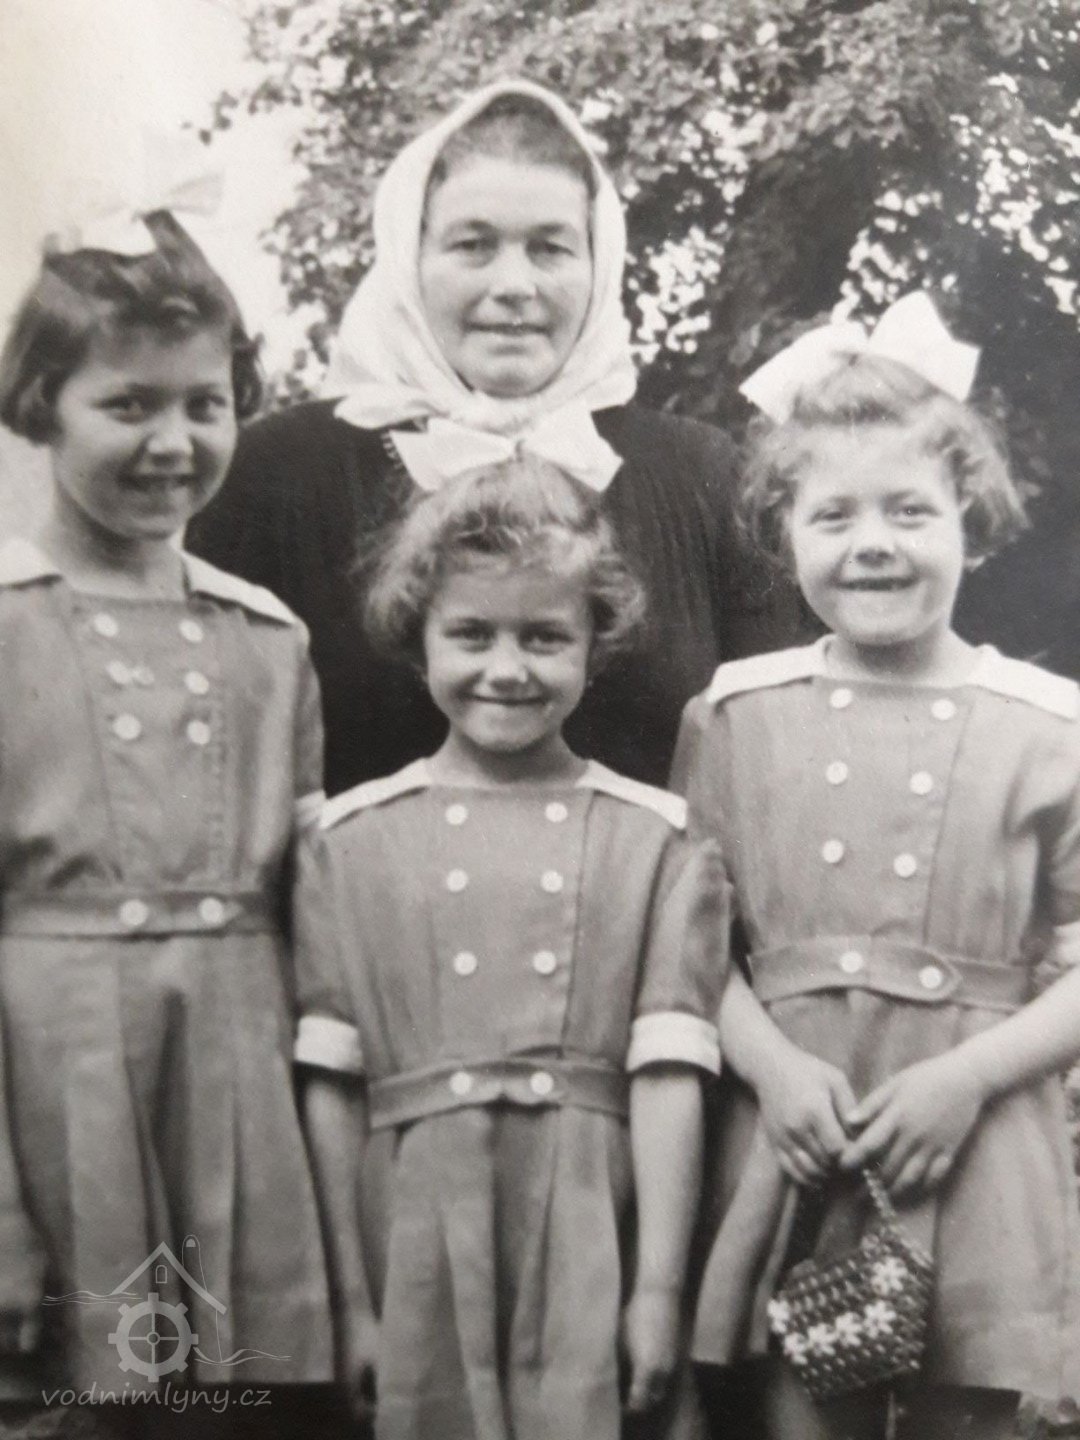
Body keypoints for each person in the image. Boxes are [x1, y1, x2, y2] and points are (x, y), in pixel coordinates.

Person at [671, 293, 1080, 1440]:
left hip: (976, 1128)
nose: (874, 543)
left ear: (972, 522)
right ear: (783, 534)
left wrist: (970, 1080)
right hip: (801, 1126)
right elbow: (686, 945)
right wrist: (770, 1072)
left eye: (911, 510)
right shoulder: (736, 715)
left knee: (968, 1411)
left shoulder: (1049, 724)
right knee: (803, 1410)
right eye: (834, 514)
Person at [186, 79, 801, 796]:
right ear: (409, 258)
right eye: (474, 245)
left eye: (550, 248)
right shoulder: (272, 475)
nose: (515, 283)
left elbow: (773, 761)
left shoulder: (704, 477)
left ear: (599, 263)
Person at [292, 457, 726, 1440]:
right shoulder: (349, 840)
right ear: (419, 638)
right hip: (411, 1222)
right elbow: (331, 1087)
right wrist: (350, 1305)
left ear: (594, 646)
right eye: (472, 634)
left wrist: (659, 1292)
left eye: (544, 636)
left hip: (591, 1217)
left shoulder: (659, 838)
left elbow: (669, 1077)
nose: (507, 668)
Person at [0, 210, 332, 1419]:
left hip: (241, 1095)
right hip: (54, 1096)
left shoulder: (269, 638)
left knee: (236, 1410)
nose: (172, 442)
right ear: (41, 404)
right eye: (128, 405)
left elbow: (318, 924)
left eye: (205, 404)